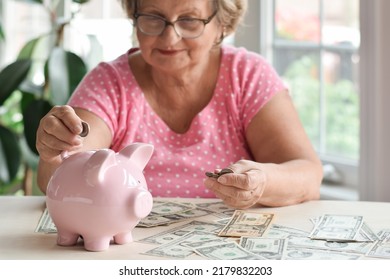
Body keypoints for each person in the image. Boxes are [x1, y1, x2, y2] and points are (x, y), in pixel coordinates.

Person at [36, 0, 323, 209]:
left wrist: (262, 182)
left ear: (222, 24)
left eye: (189, 20)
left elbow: (308, 175)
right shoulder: (110, 82)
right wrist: (57, 149)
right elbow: (63, 170)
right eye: (152, 17)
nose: (170, 37)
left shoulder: (247, 75)